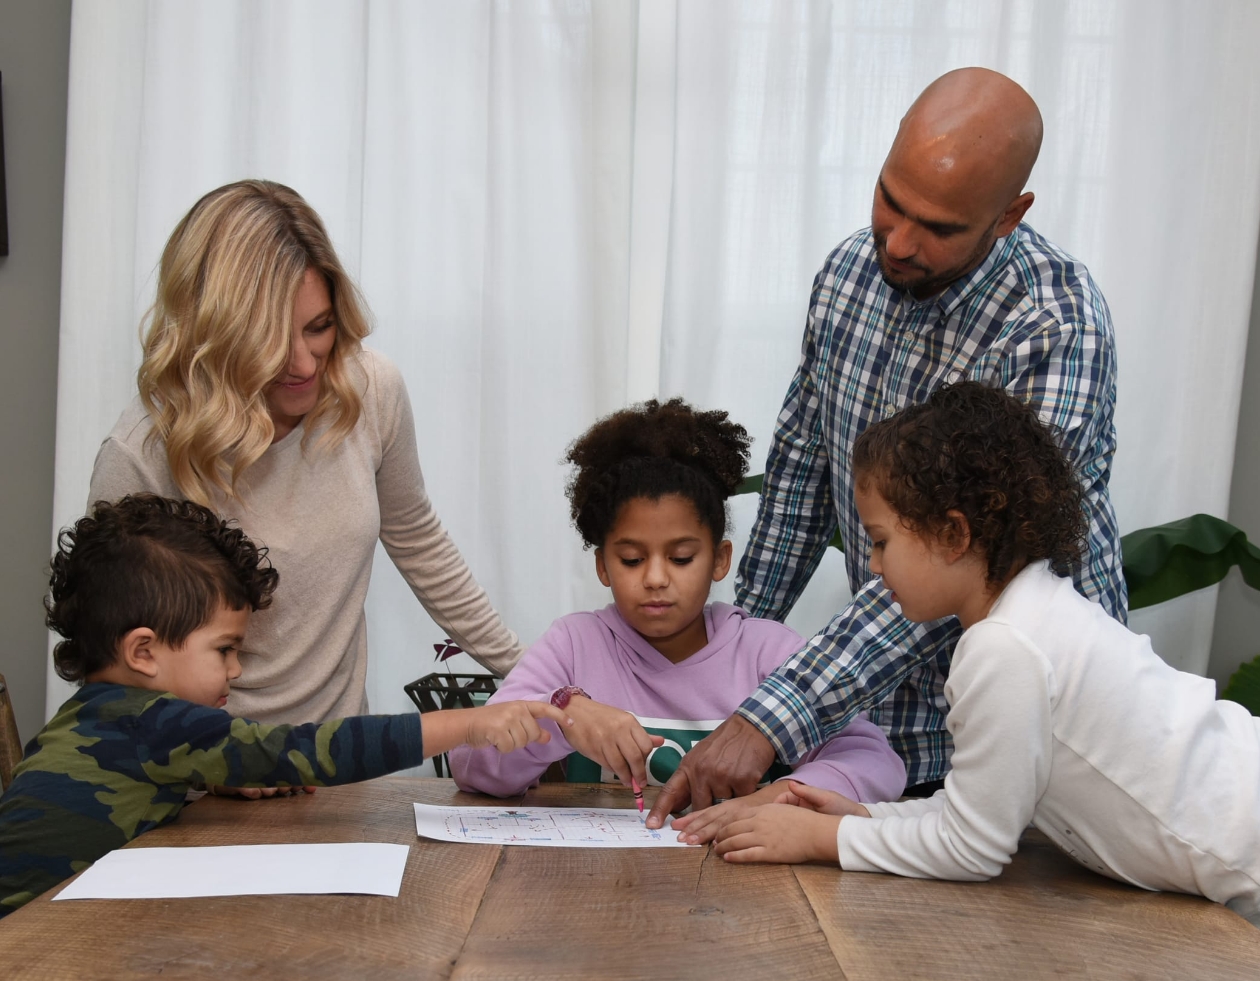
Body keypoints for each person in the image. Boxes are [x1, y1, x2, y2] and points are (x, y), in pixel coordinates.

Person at [647, 67, 1126, 828]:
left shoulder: (1055, 329)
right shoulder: (846, 275)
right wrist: (732, 655)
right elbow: (802, 467)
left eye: (938, 228)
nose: (898, 243)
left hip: (1036, 738)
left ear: (1009, 216)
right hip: (886, 726)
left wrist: (770, 717)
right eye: (890, 202)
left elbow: (959, 556)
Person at [674, 382, 1260, 928]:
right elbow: (975, 809)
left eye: (881, 542)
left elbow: (973, 849)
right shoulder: (1025, 616)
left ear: (953, 536)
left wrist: (818, 840)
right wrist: (861, 818)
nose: (873, 567)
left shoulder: (1006, 647)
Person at [0, 495, 570, 918]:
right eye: (224, 649)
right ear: (143, 651)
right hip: (30, 937)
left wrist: (218, 775)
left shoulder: (89, 718)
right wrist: (468, 724)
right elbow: (303, 751)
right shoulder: (159, 722)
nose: (237, 670)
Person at [88, 179, 524, 728]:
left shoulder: (372, 391)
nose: (304, 364)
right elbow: (111, 664)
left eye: (318, 328)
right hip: (201, 779)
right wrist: (218, 766)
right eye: (268, 341)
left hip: (337, 762)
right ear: (214, 337)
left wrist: (540, 681)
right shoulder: (141, 452)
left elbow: (419, 541)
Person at [449, 400, 906, 806]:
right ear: (603, 566)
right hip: (591, 890)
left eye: (681, 557)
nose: (655, 578)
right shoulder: (573, 646)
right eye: (630, 559)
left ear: (720, 559)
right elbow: (470, 763)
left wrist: (783, 798)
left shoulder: (768, 651)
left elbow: (873, 760)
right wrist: (562, 714)